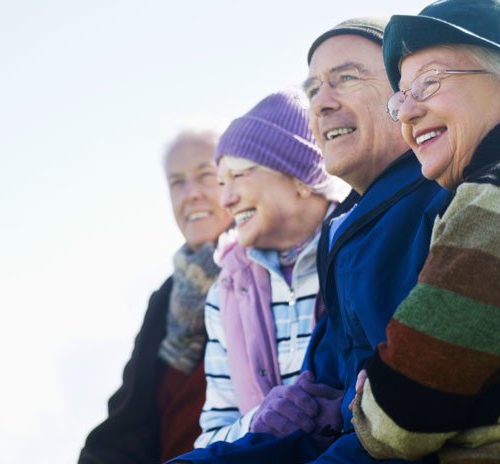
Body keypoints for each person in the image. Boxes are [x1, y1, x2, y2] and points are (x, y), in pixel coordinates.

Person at [170, 17, 451, 463]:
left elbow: (408, 415)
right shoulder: (344, 233)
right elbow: (324, 393)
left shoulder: (444, 200)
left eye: (345, 77)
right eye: (313, 88)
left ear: (405, 93)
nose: (320, 103)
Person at [352, 1, 500, 462]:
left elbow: (397, 423)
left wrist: (371, 393)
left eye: (430, 82)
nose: (406, 113)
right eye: (400, 96)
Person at [193, 90, 349, 448]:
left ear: (300, 178)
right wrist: (259, 421)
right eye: (221, 183)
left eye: (240, 175)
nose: (225, 199)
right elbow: (211, 437)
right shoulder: (226, 292)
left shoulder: (360, 252)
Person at [79, 131, 231, 464]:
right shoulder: (167, 297)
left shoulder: (264, 274)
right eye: (177, 183)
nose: (190, 195)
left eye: (206, 175)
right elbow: (127, 420)